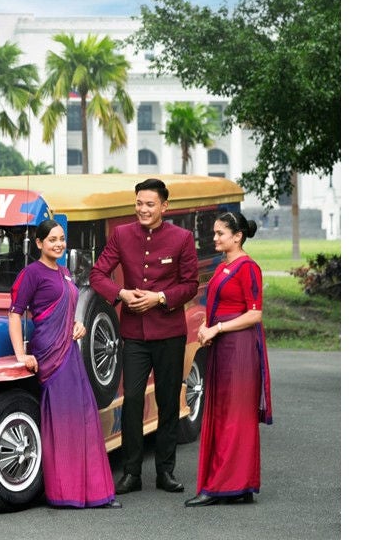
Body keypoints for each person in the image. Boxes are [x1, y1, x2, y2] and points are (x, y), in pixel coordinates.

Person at [90, 178, 198, 495]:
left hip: (169, 333)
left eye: (150, 204)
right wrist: (120, 292)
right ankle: (132, 473)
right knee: (133, 401)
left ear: (164, 206)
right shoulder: (122, 234)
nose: (143, 209)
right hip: (134, 333)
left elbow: (190, 285)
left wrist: (160, 298)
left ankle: (165, 472)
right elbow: (98, 274)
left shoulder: (182, 238)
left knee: (167, 402)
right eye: (139, 203)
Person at [9, 219, 121, 509]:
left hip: (69, 350)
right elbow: (15, 314)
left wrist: (78, 323)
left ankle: (94, 492)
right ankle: (66, 492)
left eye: (61, 239)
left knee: (84, 418)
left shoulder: (65, 271)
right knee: (63, 421)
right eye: (52, 240)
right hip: (50, 354)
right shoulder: (31, 274)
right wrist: (21, 354)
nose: (58, 244)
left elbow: (68, 307)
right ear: (38, 244)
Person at [184, 210, 273, 507]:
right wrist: (206, 327)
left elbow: (255, 313)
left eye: (220, 233)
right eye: (214, 233)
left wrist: (217, 327)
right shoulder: (225, 266)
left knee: (235, 414)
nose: (215, 238)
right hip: (222, 346)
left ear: (238, 237)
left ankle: (224, 484)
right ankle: (238, 485)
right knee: (222, 412)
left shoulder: (248, 267)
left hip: (239, 348)